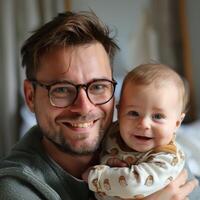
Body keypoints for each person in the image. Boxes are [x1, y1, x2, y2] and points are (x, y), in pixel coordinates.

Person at [0, 11, 198, 200]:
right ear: (30, 96)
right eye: (61, 89)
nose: (85, 108)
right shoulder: (16, 190)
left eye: (97, 86)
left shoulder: (151, 148)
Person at [86, 64, 187, 199]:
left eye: (157, 116)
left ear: (176, 123)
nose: (144, 124)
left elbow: (133, 184)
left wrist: (95, 177)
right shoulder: (113, 132)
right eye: (133, 113)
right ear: (119, 112)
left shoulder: (168, 157)